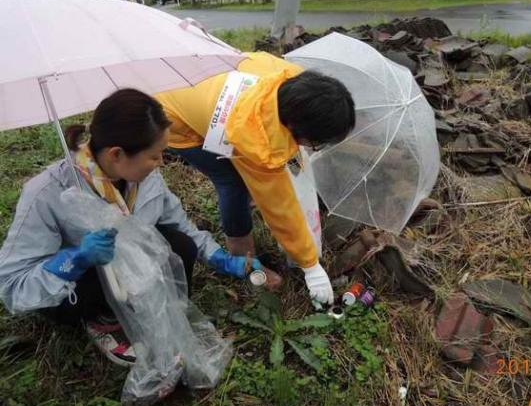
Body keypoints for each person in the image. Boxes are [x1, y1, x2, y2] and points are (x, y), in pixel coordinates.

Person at [0, 89, 276, 367]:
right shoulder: (47, 193)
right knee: (98, 279)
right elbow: (12, 286)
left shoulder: (146, 178)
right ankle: (102, 320)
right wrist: (73, 260)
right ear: (117, 154)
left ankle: (151, 310)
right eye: (154, 156)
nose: (161, 163)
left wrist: (222, 259)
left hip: (129, 274)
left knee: (181, 246)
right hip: (81, 287)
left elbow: (180, 224)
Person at [155, 51, 355, 306]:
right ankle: (242, 254)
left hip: (188, 77)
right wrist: (310, 265)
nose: (313, 147)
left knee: (250, 174)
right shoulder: (260, 142)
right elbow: (280, 208)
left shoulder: (290, 78)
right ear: (296, 127)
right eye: (315, 143)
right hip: (173, 117)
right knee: (232, 181)